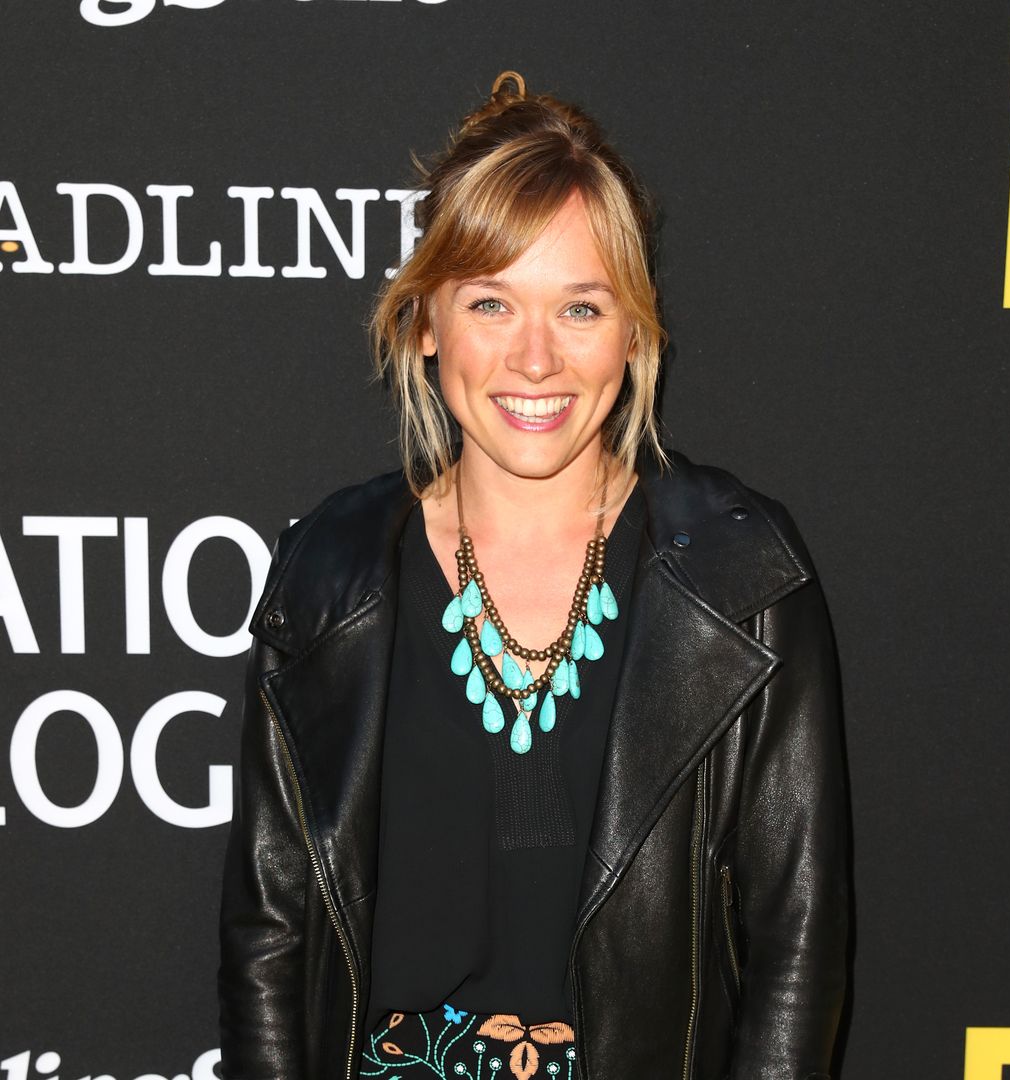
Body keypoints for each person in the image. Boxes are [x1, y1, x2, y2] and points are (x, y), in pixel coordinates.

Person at [218, 71, 849, 1080]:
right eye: (491, 302)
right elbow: (270, 932)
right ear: (425, 324)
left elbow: (794, 940)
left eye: (581, 308)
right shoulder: (326, 575)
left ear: (634, 331)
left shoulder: (744, 576)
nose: (536, 357)